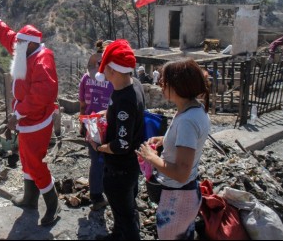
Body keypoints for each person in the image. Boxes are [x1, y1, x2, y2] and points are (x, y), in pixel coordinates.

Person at [0, 0, 60, 226]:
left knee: (36, 163)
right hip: (27, 119)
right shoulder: (26, 49)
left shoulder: (42, 60)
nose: (14, 48)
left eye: (19, 46)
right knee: (26, 159)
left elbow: (42, 95)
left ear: (30, 45)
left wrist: (18, 114)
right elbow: (9, 38)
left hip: (36, 120)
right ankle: (29, 198)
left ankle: (52, 204)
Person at [137, 58, 210, 240]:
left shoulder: (187, 121)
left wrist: (151, 156)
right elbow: (190, 141)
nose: (161, 85)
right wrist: (165, 140)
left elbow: (181, 173)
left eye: (164, 82)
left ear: (178, 85)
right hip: (186, 194)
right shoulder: (194, 109)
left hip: (178, 198)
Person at [90, 39, 146, 240]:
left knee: (125, 212)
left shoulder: (125, 100)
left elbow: (122, 145)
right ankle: (117, 234)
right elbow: (128, 116)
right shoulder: (134, 84)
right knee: (124, 207)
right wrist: (108, 113)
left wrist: (99, 146)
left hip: (120, 169)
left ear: (112, 71)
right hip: (130, 165)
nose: (102, 71)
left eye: (104, 67)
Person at [78, 40, 114, 211]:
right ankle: (101, 193)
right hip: (108, 123)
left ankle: (96, 194)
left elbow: (82, 104)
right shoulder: (114, 78)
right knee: (108, 158)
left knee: (96, 160)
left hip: (91, 123)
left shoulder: (86, 77)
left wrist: (82, 123)